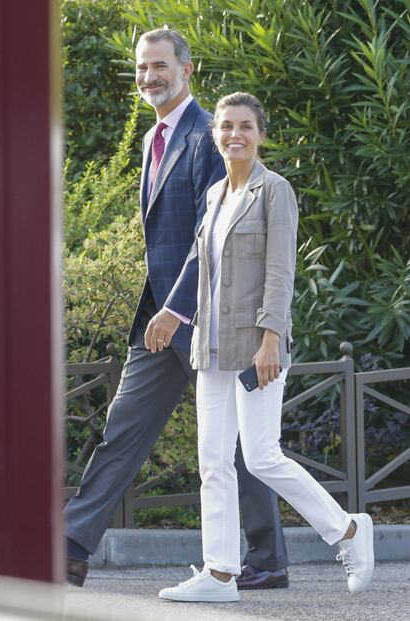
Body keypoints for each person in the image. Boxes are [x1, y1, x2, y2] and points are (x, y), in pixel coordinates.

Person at [65, 29, 290, 590]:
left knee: (244, 446)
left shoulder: (212, 134)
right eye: (142, 68)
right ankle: (69, 548)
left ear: (187, 70)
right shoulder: (152, 139)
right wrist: (162, 313)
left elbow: (209, 238)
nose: (149, 77)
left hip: (212, 317)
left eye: (159, 66)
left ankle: (267, 561)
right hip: (161, 322)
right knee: (124, 426)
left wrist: (176, 309)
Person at [157, 92, 375, 603]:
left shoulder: (274, 191)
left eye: (246, 126)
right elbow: (199, 263)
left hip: (255, 346)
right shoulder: (215, 195)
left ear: (261, 134)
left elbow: (280, 271)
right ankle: (220, 574)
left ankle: (346, 530)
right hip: (209, 347)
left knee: (260, 457)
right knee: (212, 459)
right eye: (226, 126)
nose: (235, 134)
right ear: (216, 135)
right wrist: (173, 311)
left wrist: (271, 338)